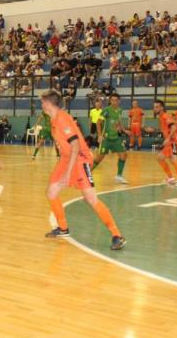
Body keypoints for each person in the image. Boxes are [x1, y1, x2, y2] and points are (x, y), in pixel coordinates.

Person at [41, 90, 126, 250]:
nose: (41, 104)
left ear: (49, 103)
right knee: (51, 192)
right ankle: (63, 228)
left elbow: (75, 145)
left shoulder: (62, 119)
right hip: (66, 159)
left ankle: (117, 235)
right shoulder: (53, 119)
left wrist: (68, 173)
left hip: (79, 158)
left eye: (42, 101)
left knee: (90, 198)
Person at [92, 93, 129, 184]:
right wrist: (100, 135)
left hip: (116, 138)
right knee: (98, 159)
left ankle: (119, 176)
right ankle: (86, 174)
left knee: (123, 155)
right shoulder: (106, 110)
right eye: (112, 100)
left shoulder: (120, 110)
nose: (114, 102)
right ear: (110, 101)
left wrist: (124, 130)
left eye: (116, 100)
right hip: (106, 139)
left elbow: (119, 121)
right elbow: (98, 122)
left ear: (119, 101)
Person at [153, 99, 177, 186]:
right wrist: (153, 130)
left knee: (173, 159)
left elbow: (174, 127)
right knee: (160, 158)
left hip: (174, 142)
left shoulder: (165, 116)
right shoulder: (161, 117)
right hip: (170, 143)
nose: (155, 109)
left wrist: (168, 138)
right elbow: (166, 129)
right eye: (154, 107)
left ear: (162, 108)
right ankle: (171, 178)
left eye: (157, 107)